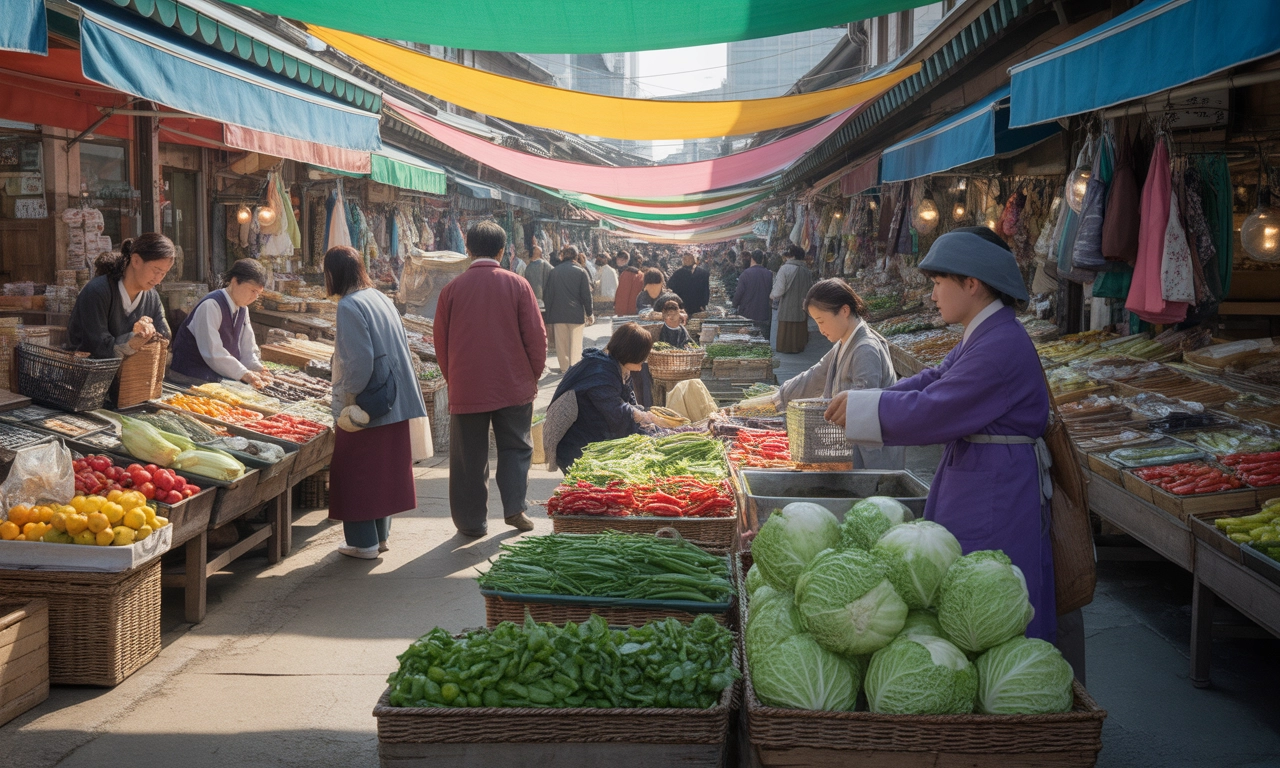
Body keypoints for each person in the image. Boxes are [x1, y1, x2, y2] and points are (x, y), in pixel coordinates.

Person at [825, 228, 1058, 646]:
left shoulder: (1000, 344)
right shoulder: (986, 332)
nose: (932, 295)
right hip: (980, 473)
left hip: (996, 490)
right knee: (963, 590)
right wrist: (865, 399)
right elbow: (935, 379)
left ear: (972, 283)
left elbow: (938, 407)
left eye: (938, 283)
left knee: (986, 599)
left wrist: (863, 407)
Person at [434, 221, 546, 537]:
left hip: (467, 386)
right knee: (516, 448)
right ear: (501, 251)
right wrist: (531, 376)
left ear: (467, 249)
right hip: (513, 384)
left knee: (468, 457)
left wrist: (454, 378)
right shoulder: (518, 284)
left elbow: (440, 344)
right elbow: (536, 338)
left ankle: (471, 522)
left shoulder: (451, 291)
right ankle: (515, 508)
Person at [326, 245, 427, 559]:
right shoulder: (379, 297)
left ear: (333, 274)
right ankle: (379, 538)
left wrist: (344, 400)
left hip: (367, 404)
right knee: (381, 473)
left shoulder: (349, 305)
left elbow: (356, 363)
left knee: (356, 472)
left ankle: (363, 542)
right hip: (392, 398)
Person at [775, 279, 903, 470]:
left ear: (844, 311)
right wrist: (778, 398)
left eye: (821, 321)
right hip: (851, 448)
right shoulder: (845, 342)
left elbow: (863, 404)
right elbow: (816, 374)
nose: (820, 330)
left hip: (871, 458)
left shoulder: (865, 349)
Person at [550, 322, 657, 470]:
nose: (642, 364)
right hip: (577, 446)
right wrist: (641, 416)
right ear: (631, 353)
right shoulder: (600, 372)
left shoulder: (619, 367)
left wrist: (644, 418)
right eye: (641, 358)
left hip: (592, 439)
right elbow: (616, 411)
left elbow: (629, 400)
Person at [67, 233, 173, 360]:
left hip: (133, 377)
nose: (158, 279)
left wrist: (149, 334)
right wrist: (134, 337)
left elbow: (164, 336)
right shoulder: (97, 291)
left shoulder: (153, 298)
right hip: (87, 375)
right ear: (136, 261)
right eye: (156, 271)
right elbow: (97, 347)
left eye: (163, 274)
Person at [168, 259, 271, 387]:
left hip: (216, 377)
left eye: (258, 294)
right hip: (189, 376)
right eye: (252, 290)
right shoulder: (210, 305)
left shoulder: (243, 310)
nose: (254, 297)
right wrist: (244, 373)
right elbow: (213, 353)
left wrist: (257, 368)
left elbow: (247, 349)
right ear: (234, 281)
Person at [543, 244, 594, 372]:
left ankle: (565, 368)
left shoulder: (554, 272)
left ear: (563, 256)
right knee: (575, 343)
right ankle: (574, 368)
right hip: (576, 314)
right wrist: (590, 313)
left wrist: (548, 318)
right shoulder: (581, 271)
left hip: (558, 314)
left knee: (561, 345)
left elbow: (547, 296)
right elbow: (586, 296)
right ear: (576, 257)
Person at [771, 244, 814, 353]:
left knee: (787, 327)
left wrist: (772, 296)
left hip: (788, 304)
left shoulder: (785, 268)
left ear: (792, 256)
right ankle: (798, 347)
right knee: (799, 326)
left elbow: (779, 289)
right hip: (802, 305)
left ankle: (786, 347)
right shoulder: (807, 270)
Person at [733, 249, 774, 337]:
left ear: (752, 259)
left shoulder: (745, 274)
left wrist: (734, 305)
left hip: (748, 313)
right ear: (762, 260)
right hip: (764, 313)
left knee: (747, 340)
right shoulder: (769, 274)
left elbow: (739, 293)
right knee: (763, 340)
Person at [614, 250, 643, 316]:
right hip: (635, 310)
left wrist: (619, 312)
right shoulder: (641, 274)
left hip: (626, 311)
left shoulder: (626, 274)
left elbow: (622, 296)